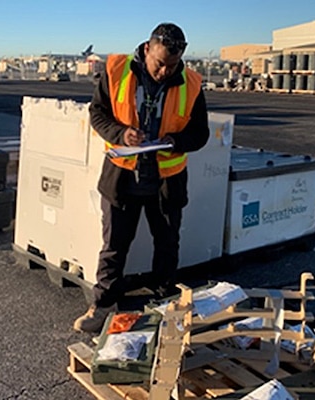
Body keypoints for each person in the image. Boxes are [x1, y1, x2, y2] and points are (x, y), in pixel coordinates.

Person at [73, 22, 210, 333]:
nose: (164, 71)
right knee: (114, 246)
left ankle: (164, 304)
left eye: (171, 65)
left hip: (166, 179)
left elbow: (199, 133)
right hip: (123, 176)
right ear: (147, 49)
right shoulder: (117, 70)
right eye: (160, 63)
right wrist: (121, 134)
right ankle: (103, 305)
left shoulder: (190, 83)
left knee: (167, 244)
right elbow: (97, 113)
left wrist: (177, 141)